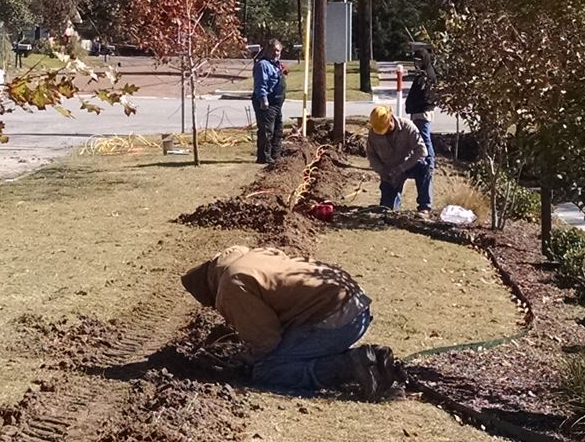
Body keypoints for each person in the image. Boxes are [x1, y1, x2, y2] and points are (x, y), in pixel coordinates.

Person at [182, 244, 399, 396]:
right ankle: (371, 361)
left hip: (337, 319)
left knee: (269, 369)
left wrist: (246, 358)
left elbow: (266, 341)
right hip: (356, 306)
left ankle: (352, 365)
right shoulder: (257, 256)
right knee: (290, 351)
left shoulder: (231, 286)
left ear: (210, 289)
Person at [364, 105, 433, 214]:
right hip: (389, 171)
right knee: (387, 210)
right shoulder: (374, 133)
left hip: (408, 165)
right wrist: (383, 171)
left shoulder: (407, 127)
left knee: (424, 168)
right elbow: (371, 155)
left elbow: (422, 151)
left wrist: (401, 168)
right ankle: (392, 206)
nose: (384, 132)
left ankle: (424, 207)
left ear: (391, 118)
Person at [250, 37, 287, 164]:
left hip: (277, 104)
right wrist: (263, 100)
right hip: (267, 103)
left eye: (278, 50)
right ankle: (263, 157)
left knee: (278, 129)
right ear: (267, 50)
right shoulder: (262, 65)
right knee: (267, 131)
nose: (276, 53)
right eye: (273, 50)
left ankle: (275, 156)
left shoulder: (276, 65)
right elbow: (261, 84)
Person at [404, 57, 435, 157]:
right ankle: (421, 163)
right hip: (417, 112)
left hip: (422, 113)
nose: (417, 63)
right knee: (417, 140)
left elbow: (425, 97)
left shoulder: (427, 76)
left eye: (419, 61)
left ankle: (429, 164)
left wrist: (414, 106)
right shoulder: (421, 75)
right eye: (416, 61)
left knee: (425, 140)